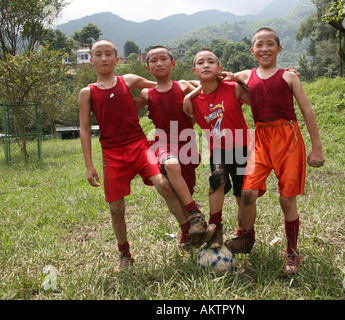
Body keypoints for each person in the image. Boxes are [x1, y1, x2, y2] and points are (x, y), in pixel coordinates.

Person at [79, 40, 194, 272]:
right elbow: (83, 129)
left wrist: (200, 84)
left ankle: (188, 232)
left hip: (140, 146)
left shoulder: (128, 80)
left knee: (164, 185)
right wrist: (89, 165)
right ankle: (125, 254)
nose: (104, 58)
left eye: (108, 54)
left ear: (116, 59)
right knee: (115, 208)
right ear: (91, 61)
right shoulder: (87, 93)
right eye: (98, 55)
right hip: (112, 153)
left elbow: (165, 84)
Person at [223, 28, 325, 275]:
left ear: (280, 49)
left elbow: (307, 111)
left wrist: (317, 148)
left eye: (270, 44)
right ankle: (246, 237)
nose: (265, 48)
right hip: (260, 138)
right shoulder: (246, 75)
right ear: (252, 50)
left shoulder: (289, 77)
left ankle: (292, 254)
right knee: (247, 192)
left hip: (287, 138)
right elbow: (221, 76)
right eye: (259, 44)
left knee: (286, 199)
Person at [135, 46, 215, 253]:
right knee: (171, 165)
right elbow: (126, 110)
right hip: (162, 142)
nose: (159, 63)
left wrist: (190, 96)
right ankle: (195, 213)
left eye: (163, 59)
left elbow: (207, 86)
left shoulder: (182, 86)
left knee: (184, 191)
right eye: (153, 60)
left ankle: (187, 235)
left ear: (173, 64)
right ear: (148, 67)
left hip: (186, 142)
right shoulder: (146, 93)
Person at [184, 49, 251, 248]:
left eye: (211, 61)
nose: (206, 65)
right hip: (218, 148)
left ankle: (243, 234)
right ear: (194, 71)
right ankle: (215, 229)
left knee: (241, 195)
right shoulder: (193, 100)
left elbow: (257, 94)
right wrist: (190, 95)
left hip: (242, 146)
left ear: (220, 69)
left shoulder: (233, 88)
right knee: (217, 179)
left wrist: (236, 78)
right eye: (200, 62)